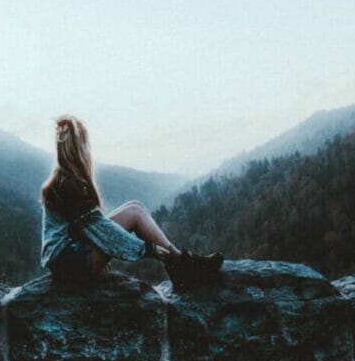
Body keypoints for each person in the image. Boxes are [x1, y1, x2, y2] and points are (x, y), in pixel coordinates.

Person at [40, 114, 223, 289]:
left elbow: (85, 227)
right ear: (80, 149)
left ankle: (180, 265)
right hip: (71, 264)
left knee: (135, 207)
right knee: (135, 214)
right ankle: (183, 266)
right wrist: (147, 249)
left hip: (67, 260)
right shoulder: (68, 185)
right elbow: (103, 231)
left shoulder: (63, 180)